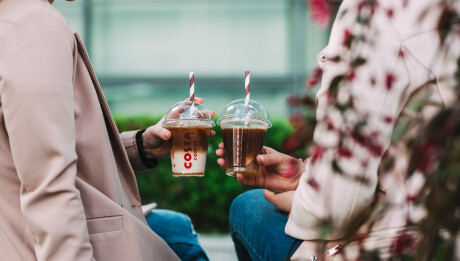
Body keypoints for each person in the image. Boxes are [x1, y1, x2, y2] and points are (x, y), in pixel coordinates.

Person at [217, 0, 460, 259]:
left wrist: (299, 200)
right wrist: (306, 175)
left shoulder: (375, 14)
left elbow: (334, 209)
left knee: (249, 207)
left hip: (401, 244)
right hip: (443, 230)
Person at [0, 0, 210, 260]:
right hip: (44, 244)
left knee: (174, 227)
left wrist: (141, 145)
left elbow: (27, 152)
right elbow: (48, 189)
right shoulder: (33, 24)